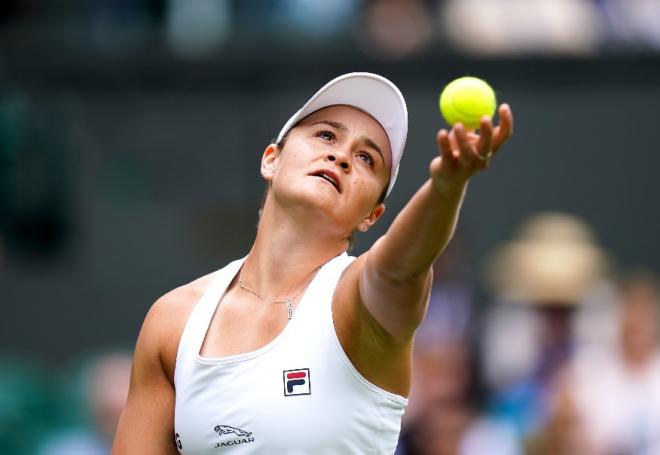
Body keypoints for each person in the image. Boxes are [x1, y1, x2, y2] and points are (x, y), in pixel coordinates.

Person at [112, 72, 513, 454]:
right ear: (272, 159)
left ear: (371, 216)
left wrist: (447, 185)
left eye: (367, 159)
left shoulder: (358, 299)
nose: (340, 156)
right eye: (326, 135)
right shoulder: (172, 320)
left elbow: (403, 262)